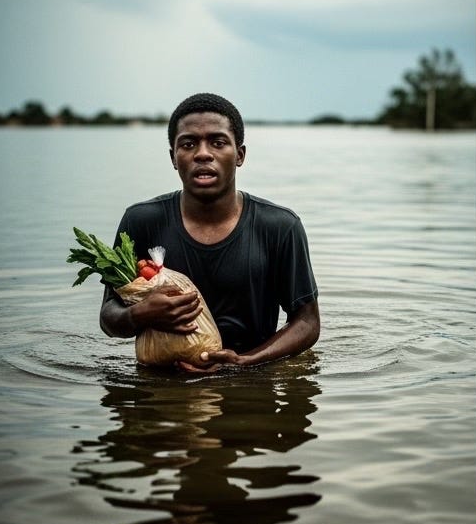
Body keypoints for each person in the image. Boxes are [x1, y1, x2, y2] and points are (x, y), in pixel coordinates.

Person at [99, 92, 321, 372]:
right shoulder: (141, 221)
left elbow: (308, 322)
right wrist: (138, 314)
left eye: (217, 142)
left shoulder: (279, 226)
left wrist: (246, 362)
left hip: (247, 382)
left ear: (239, 155)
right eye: (189, 143)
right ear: (174, 158)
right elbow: (108, 317)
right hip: (161, 384)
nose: (203, 153)